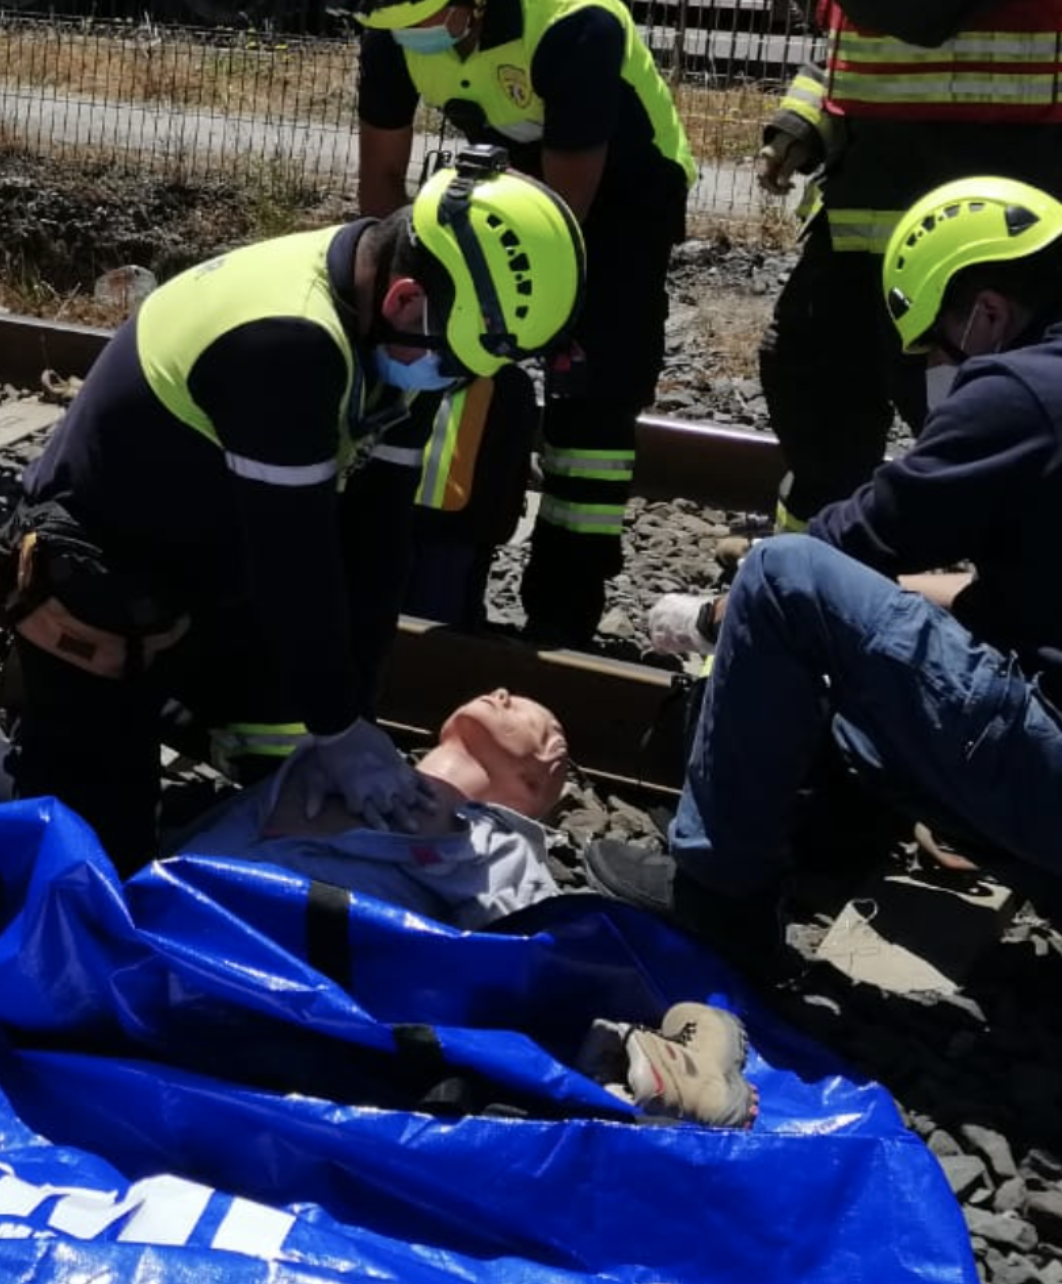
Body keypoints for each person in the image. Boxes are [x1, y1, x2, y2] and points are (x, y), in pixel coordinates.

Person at [0, 149, 588, 866]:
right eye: (456, 365)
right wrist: (336, 729)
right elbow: (296, 558)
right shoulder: (292, 342)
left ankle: (123, 726)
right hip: (95, 572)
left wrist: (351, 717)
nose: (451, 385)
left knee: (289, 748)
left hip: (204, 556)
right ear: (409, 296)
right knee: (94, 858)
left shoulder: (399, 322)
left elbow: (377, 534)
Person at [585, 177, 1062, 953]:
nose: (937, 370)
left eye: (936, 347)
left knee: (783, 574)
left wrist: (715, 615)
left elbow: (860, 537)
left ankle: (716, 900)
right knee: (895, 669)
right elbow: (1004, 595)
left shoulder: (1022, 390)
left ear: (989, 313)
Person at [355, 0, 693, 645]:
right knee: (433, 350)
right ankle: (424, 572)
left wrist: (502, 318)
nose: (408, 38)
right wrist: (404, 301)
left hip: (620, 195)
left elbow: (562, 225)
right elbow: (380, 181)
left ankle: (564, 609)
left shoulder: (574, 25)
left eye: (423, 23)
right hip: (503, 170)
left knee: (591, 405)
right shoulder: (389, 25)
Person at [754, 1, 1062, 535]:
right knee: (812, 387)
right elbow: (857, 55)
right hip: (870, 218)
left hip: (984, 237)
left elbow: (921, 16)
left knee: (985, 421)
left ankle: (1016, 591)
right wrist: (804, 120)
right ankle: (809, 572)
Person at [173, 689, 572, 930]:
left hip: (282, 981)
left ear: (545, 768)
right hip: (168, 917)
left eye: (523, 711)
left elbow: (523, 954)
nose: (501, 693)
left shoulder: (501, 851)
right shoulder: (330, 760)